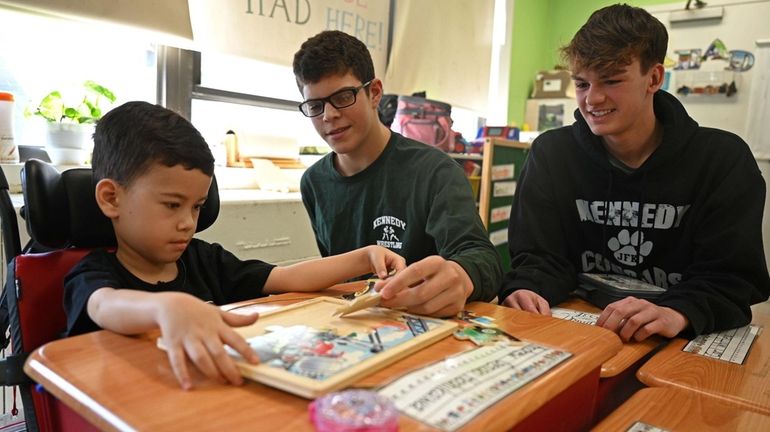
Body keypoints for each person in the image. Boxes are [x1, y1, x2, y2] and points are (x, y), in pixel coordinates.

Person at [63, 101, 406, 390]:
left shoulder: (203, 259)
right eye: (171, 205)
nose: (188, 222)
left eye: (196, 206)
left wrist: (363, 256)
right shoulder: (94, 273)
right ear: (111, 199)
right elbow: (104, 306)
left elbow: (285, 277)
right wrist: (164, 308)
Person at [500, 4, 770, 342]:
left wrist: (678, 311)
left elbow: (732, 278)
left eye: (611, 81)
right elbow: (539, 257)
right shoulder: (551, 153)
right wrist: (527, 286)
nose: (592, 99)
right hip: (581, 326)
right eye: (582, 84)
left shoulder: (723, 160)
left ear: (654, 78)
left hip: (676, 335)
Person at [293, 30, 502, 318]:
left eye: (343, 96)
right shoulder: (313, 183)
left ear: (374, 92)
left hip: (425, 327)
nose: (328, 115)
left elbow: (484, 258)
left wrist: (461, 274)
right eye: (315, 106)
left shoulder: (434, 171)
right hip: (355, 329)